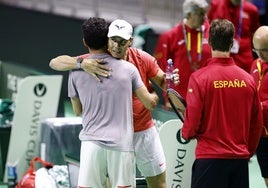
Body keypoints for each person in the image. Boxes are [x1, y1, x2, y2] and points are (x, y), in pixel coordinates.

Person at [50, 19, 179, 188]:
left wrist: (170, 80)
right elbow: (55, 62)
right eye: (113, 40)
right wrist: (81, 63)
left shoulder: (142, 59)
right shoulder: (93, 60)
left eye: (122, 42)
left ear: (130, 42)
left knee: (158, 182)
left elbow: (162, 81)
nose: (117, 46)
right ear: (107, 39)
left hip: (143, 131)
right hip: (113, 136)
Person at [182, 19, 263, 188]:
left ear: (209, 41)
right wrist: (247, 153)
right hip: (239, 162)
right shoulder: (248, 80)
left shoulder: (199, 78)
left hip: (209, 161)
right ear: (232, 42)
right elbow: (257, 124)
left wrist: (186, 134)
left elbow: (193, 120)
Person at [154, 0, 211, 105]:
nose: (205, 17)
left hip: (206, 98)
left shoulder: (210, 34)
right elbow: (162, 70)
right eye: (200, 14)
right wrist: (169, 98)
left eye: (205, 13)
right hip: (179, 99)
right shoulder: (170, 37)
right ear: (189, 14)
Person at [207, 0, 260, 73]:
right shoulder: (215, 5)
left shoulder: (251, 9)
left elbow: (254, 33)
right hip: (220, 56)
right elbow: (207, 28)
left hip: (244, 59)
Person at [250, 25, 268, 188]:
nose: (260, 55)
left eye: (264, 50)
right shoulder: (255, 64)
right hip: (260, 134)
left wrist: (258, 106)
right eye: (256, 50)